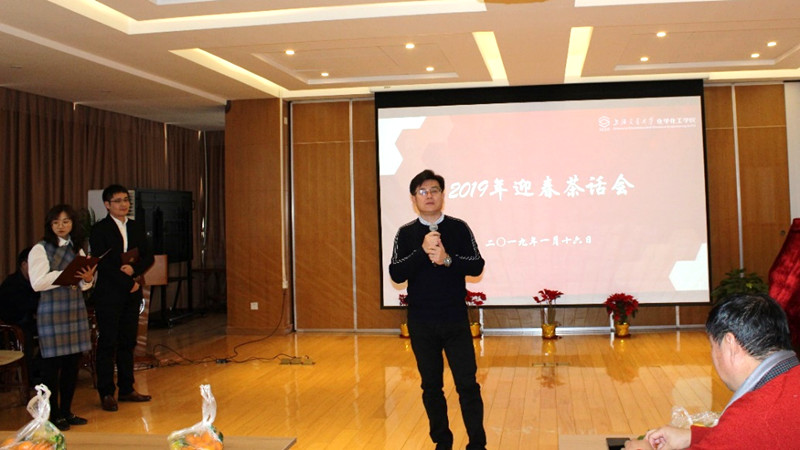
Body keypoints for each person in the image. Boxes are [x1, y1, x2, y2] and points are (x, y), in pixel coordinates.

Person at [389, 169, 487, 450]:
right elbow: (396, 273)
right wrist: (422, 252)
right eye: (422, 191)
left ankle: (477, 443)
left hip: (454, 319)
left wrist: (447, 260)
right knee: (431, 387)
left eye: (434, 190)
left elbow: (476, 265)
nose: (429, 196)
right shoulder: (406, 233)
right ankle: (442, 442)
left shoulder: (459, 227)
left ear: (443, 195)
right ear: (413, 198)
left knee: (467, 384)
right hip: (422, 322)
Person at [625, 293, 800, 450]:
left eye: (713, 345)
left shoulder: (751, 413)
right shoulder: (788, 381)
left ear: (730, 343)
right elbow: (756, 438)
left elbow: (745, 430)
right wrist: (693, 436)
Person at [27, 204, 96, 431]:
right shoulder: (40, 249)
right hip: (52, 312)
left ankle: (66, 411)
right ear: (50, 225)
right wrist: (66, 274)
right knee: (51, 367)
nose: (61, 226)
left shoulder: (76, 248)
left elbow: (84, 285)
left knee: (71, 366)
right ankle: (52, 414)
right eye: (56, 222)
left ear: (72, 224)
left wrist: (87, 279)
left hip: (74, 310)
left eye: (66, 221)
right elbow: (37, 283)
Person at [89, 184, 154, 412]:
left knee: (128, 341)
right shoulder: (99, 229)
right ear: (107, 205)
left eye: (126, 200)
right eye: (118, 201)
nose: (123, 204)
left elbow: (148, 256)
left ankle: (127, 388)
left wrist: (135, 273)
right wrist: (130, 283)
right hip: (109, 294)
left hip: (131, 293)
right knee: (108, 342)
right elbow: (103, 264)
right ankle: (106, 392)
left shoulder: (135, 226)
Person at [0, 247, 41, 380]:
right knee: (25, 336)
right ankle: (28, 377)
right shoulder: (12, 283)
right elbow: (20, 308)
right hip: (12, 325)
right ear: (24, 264)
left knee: (52, 332)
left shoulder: (33, 282)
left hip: (28, 321)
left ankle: (40, 371)